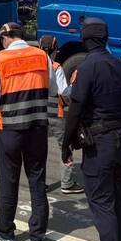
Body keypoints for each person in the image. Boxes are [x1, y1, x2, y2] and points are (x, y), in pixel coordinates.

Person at [62, 17, 121, 241]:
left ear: (86, 39)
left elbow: (75, 110)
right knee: (119, 198)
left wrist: (66, 144)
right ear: (105, 38)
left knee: (101, 202)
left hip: (101, 143)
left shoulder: (87, 68)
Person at [0, 22, 57, 241]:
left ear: (5, 38)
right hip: (37, 128)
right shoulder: (42, 56)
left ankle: (5, 231)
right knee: (37, 179)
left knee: (9, 179)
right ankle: (38, 235)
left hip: (10, 129)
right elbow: (54, 89)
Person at [38, 35, 83, 195]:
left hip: (37, 112)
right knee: (65, 146)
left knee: (38, 148)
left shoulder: (34, 64)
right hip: (55, 113)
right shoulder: (56, 67)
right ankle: (67, 183)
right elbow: (64, 93)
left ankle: (39, 183)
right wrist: (73, 85)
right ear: (55, 49)